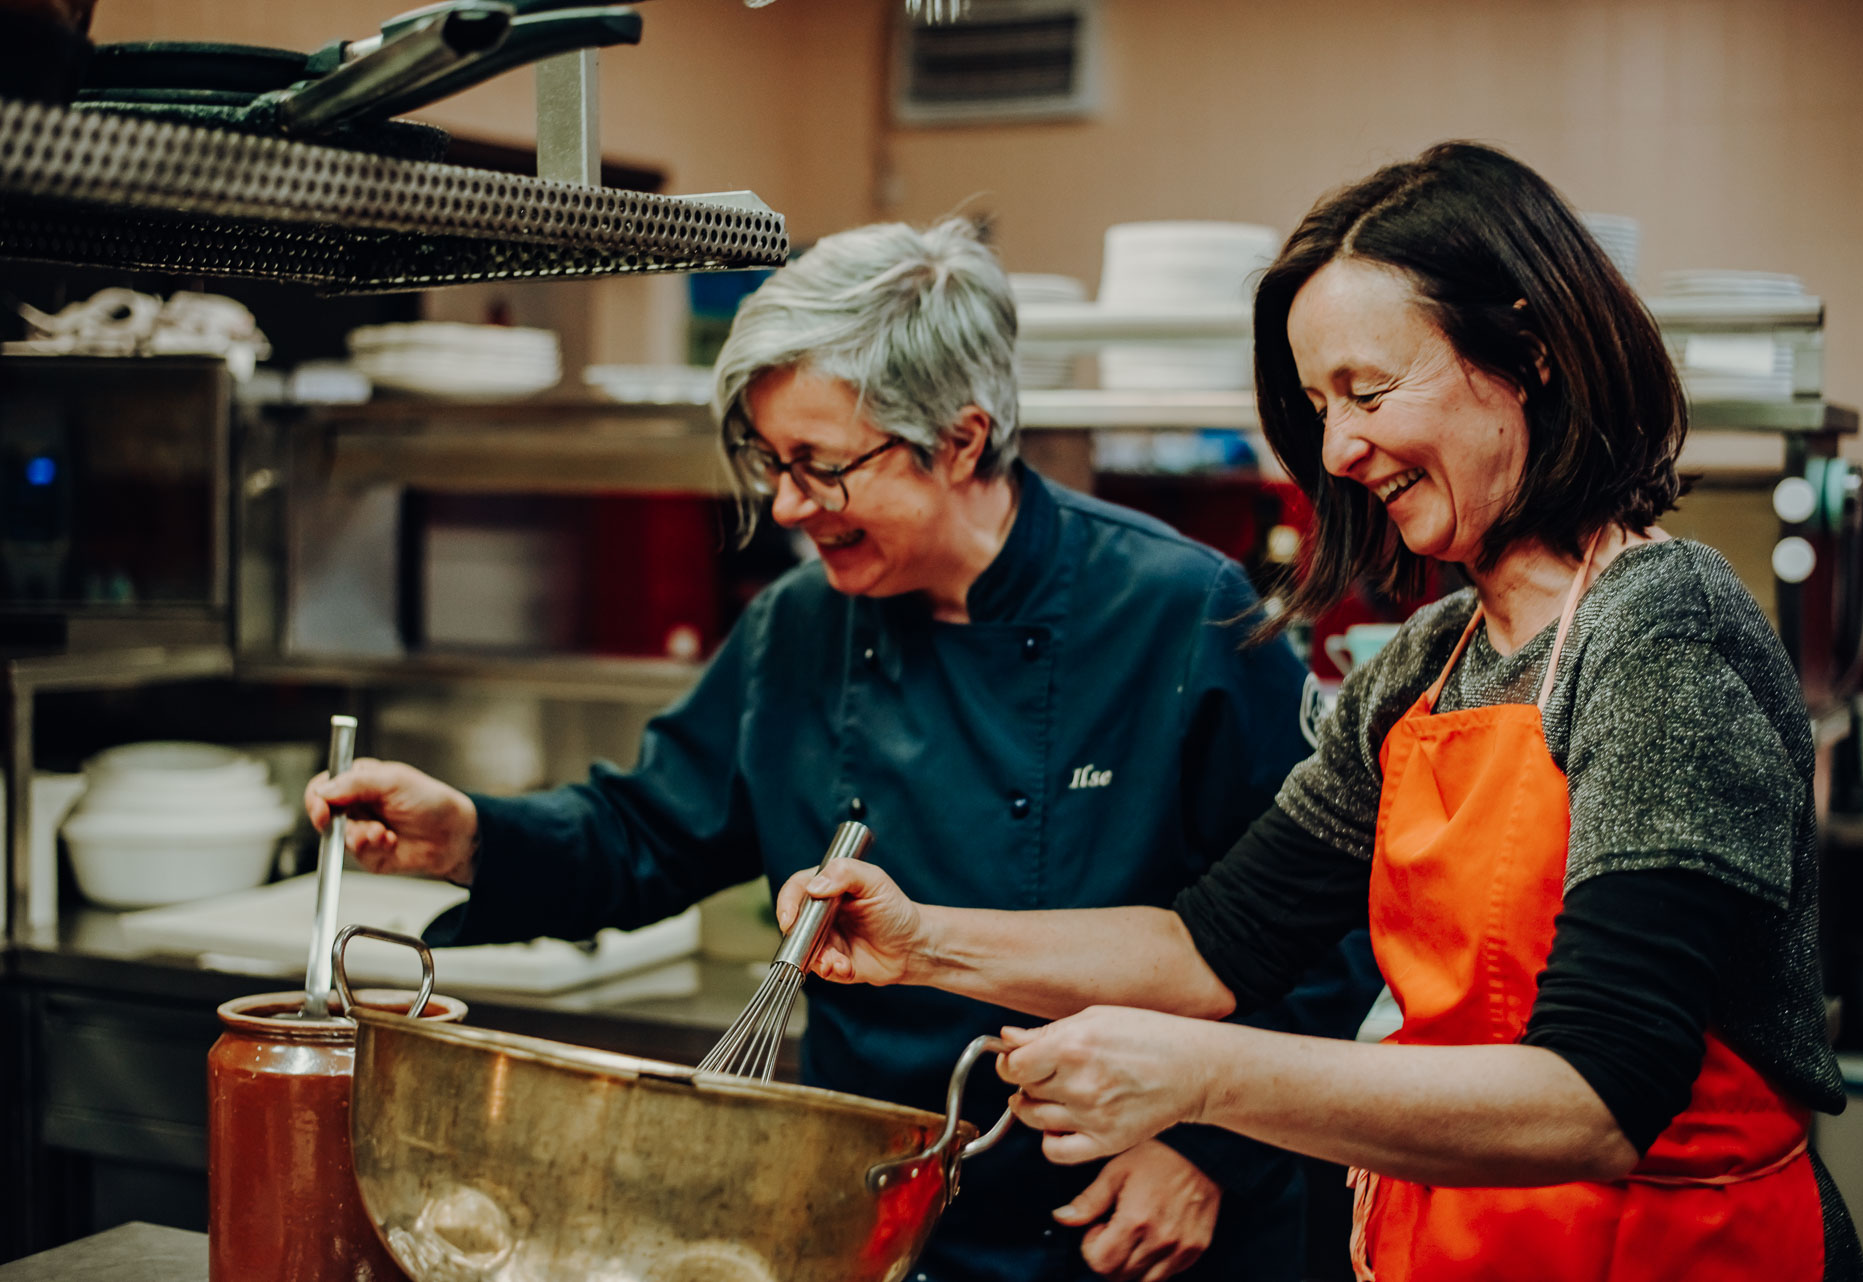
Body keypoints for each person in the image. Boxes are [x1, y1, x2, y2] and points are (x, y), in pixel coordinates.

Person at [776, 145, 1863, 1282]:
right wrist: (921, 943)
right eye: (1316, 406)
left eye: (1368, 391)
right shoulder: (1424, 666)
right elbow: (1213, 946)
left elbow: (1596, 1095)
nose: (1338, 450)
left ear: (1531, 356)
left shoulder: (1659, 630)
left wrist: (1201, 1076)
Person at [305, 218, 1383, 1282]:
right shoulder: (800, 624)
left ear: (960, 440)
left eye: (822, 466)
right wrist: (471, 835)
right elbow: (647, 831)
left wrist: (1207, 1147)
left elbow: (1317, 928)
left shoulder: (1179, 611)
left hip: (1117, 1210)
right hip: (870, 1203)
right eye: (770, 462)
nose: (785, 505)